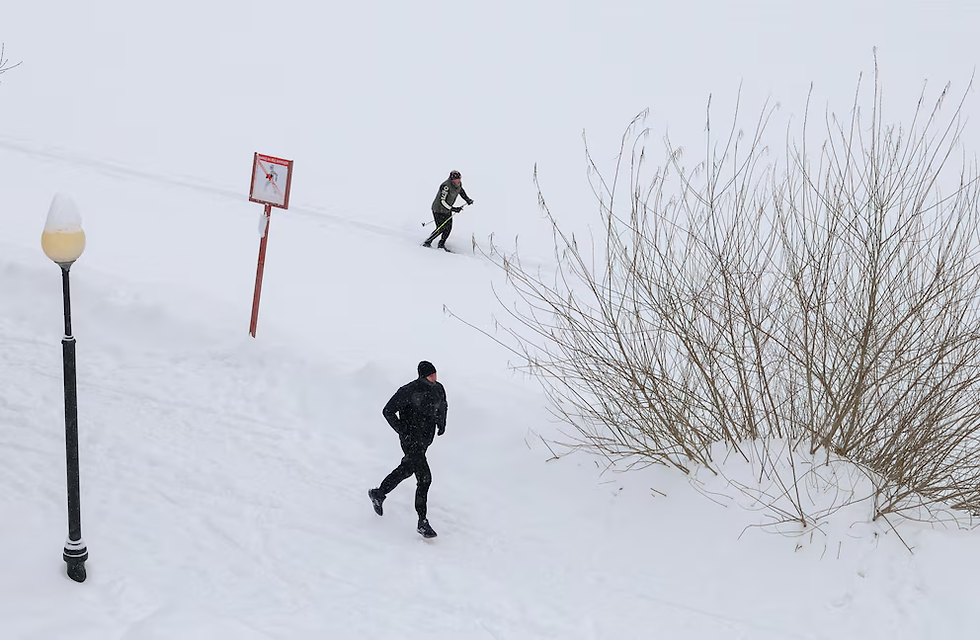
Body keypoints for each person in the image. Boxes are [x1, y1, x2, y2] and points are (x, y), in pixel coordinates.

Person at [368, 360, 448, 538]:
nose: (434, 377)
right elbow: (387, 411)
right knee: (425, 478)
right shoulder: (408, 391)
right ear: (422, 376)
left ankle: (378, 493)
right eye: (430, 375)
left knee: (407, 469)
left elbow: (443, 405)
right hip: (411, 440)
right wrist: (402, 431)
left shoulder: (438, 388)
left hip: (425, 439)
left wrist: (442, 423)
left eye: (435, 374)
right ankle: (422, 522)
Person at [423, 170, 474, 250]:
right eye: (455, 179)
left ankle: (441, 244)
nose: (458, 181)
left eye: (459, 179)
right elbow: (442, 201)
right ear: (451, 179)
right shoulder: (446, 186)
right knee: (441, 228)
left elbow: (461, 191)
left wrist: (467, 199)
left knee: (449, 228)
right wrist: (453, 209)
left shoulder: (458, 184)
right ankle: (427, 242)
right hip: (438, 209)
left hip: (447, 210)